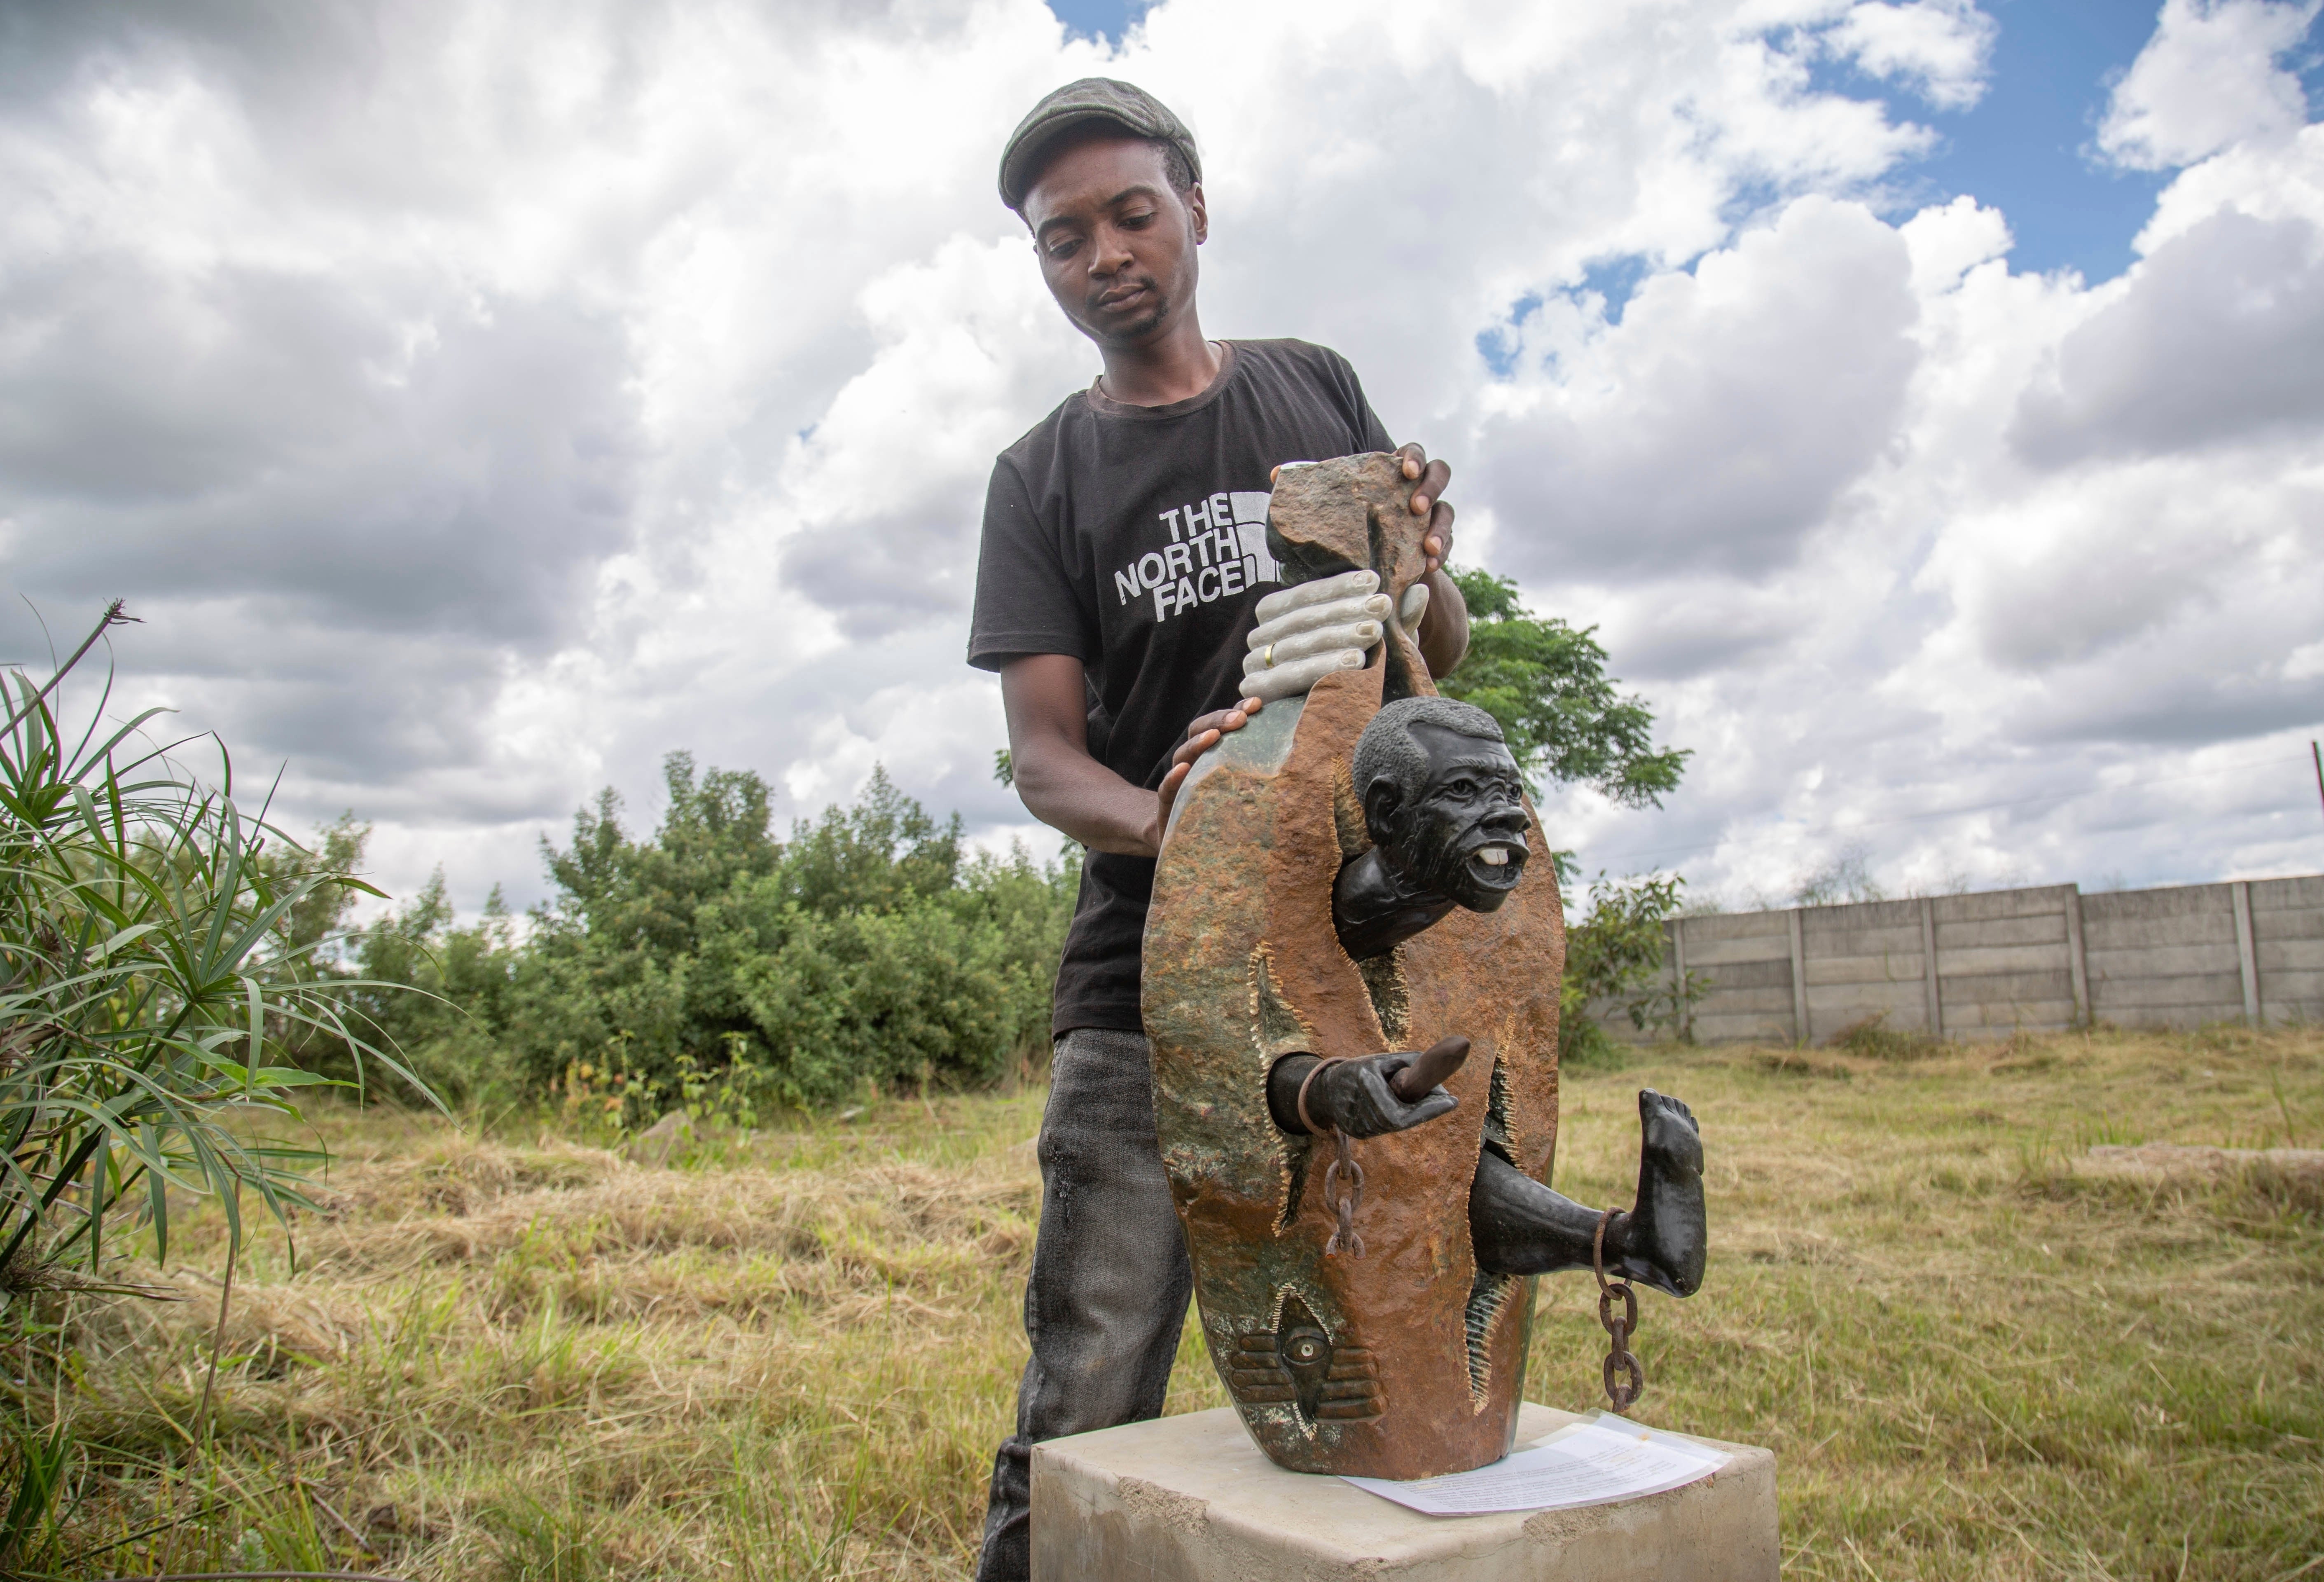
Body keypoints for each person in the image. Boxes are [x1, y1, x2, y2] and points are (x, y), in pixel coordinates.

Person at [963, 77, 1470, 1582]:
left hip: (1364, 962)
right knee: (1094, 1379)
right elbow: (1049, 766)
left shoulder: (1310, 385)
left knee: (1375, 1354)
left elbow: (1431, 645)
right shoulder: (1040, 475)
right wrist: (1190, 832)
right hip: (1144, 993)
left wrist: (1426, 559)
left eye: (1130, 212)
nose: (1104, 254)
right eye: (1063, 238)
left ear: (1196, 207)